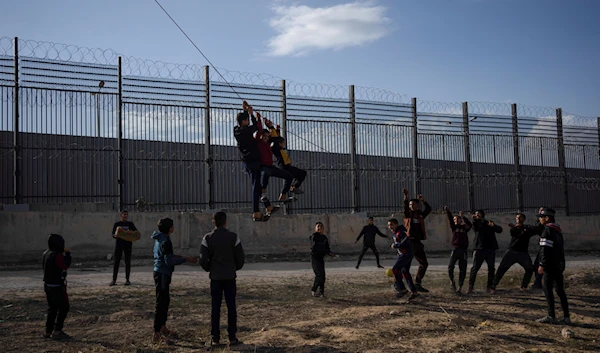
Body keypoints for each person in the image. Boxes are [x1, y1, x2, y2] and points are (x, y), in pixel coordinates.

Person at [200, 212, 245, 347]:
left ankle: (215, 337)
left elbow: (203, 259)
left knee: (215, 307)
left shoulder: (207, 238)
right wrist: (233, 268)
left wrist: (210, 268)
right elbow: (240, 258)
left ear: (214, 222)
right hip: (230, 277)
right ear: (225, 222)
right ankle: (232, 337)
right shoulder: (233, 237)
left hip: (215, 277)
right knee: (231, 307)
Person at [151, 218, 197, 345]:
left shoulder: (160, 238)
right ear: (169, 228)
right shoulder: (165, 241)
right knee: (161, 302)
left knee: (165, 300)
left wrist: (182, 257)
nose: (174, 227)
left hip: (161, 272)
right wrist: (185, 260)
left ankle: (162, 327)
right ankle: (156, 332)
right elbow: (168, 260)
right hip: (162, 274)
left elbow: (167, 256)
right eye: (172, 226)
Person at [233, 101, 277, 221]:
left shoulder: (236, 130)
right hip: (253, 161)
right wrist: (254, 116)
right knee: (256, 185)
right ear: (244, 121)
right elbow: (258, 128)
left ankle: (267, 207)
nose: (248, 122)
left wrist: (246, 111)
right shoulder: (246, 131)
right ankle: (256, 212)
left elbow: (245, 123)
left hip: (248, 161)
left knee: (257, 185)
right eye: (247, 120)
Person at [536, 208, 570, 325]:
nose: (539, 219)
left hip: (549, 266)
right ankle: (566, 317)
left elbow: (545, 250)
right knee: (560, 291)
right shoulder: (557, 231)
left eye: (541, 217)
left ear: (547, 218)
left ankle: (551, 316)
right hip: (558, 266)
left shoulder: (547, 231)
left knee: (547, 289)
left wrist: (542, 265)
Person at [491, 213, 537, 291]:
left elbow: (533, 229)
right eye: (517, 218)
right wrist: (515, 227)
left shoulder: (528, 229)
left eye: (520, 217)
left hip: (523, 252)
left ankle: (524, 287)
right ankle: (493, 286)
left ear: (524, 219)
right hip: (512, 251)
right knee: (502, 268)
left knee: (529, 269)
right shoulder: (514, 228)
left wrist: (522, 227)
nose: (518, 219)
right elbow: (514, 233)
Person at [256, 114, 293, 204]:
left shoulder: (268, 143)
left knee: (289, 176)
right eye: (264, 136)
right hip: (263, 166)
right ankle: (263, 194)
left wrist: (273, 128)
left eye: (268, 137)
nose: (266, 138)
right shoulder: (258, 143)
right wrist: (259, 120)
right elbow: (259, 131)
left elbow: (276, 139)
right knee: (265, 173)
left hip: (270, 166)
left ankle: (283, 194)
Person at [402, 188, 432, 292]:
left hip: (417, 242)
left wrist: (423, 200)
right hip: (410, 242)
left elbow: (428, 209)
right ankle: (398, 284)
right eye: (410, 205)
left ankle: (417, 283)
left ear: (417, 205)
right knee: (406, 264)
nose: (412, 206)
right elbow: (405, 208)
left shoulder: (420, 214)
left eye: (413, 204)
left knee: (424, 263)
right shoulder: (408, 214)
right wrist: (406, 197)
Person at [42, 233, 71, 340]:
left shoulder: (45, 253)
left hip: (47, 285)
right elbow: (65, 265)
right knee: (64, 307)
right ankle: (57, 330)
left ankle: (48, 331)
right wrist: (68, 255)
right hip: (56, 286)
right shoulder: (57, 255)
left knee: (52, 308)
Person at [468, 210, 503, 294]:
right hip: (479, 249)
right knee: (475, 268)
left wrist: (493, 226)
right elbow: (475, 227)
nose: (477, 215)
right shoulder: (476, 223)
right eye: (476, 214)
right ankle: (470, 287)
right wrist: (474, 220)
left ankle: (489, 287)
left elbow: (499, 230)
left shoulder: (488, 223)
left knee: (491, 268)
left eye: (478, 214)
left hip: (490, 249)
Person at [268, 123, 307, 195]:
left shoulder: (280, 148)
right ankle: (287, 191)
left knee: (301, 174)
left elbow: (277, 138)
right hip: (284, 166)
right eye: (283, 142)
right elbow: (275, 140)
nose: (284, 144)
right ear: (280, 143)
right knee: (293, 176)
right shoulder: (276, 149)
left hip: (287, 166)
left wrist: (277, 130)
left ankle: (293, 188)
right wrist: (271, 127)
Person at [388, 218, 419, 300]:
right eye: (388, 225)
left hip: (406, 254)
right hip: (404, 254)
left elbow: (405, 242)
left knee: (395, 269)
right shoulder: (396, 233)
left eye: (391, 224)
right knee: (405, 272)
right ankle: (414, 292)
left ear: (396, 224)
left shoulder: (400, 232)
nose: (390, 227)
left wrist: (395, 246)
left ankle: (403, 289)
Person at [444, 207, 472, 294]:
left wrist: (463, 217)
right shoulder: (453, 227)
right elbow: (450, 220)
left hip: (463, 250)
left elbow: (470, 225)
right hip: (455, 249)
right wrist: (448, 211)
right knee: (450, 267)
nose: (456, 220)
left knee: (462, 268)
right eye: (454, 219)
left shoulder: (464, 228)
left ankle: (460, 286)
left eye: (457, 219)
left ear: (460, 220)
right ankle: (452, 281)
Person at [110, 210, 137, 286]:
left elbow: (136, 233)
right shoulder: (117, 224)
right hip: (119, 245)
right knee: (116, 262)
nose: (125, 216)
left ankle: (127, 280)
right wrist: (116, 235)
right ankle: (114, 280)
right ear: (121, 215)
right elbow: (113, 234)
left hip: (128, 245)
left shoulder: (130, 224)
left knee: (127, 262)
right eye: (124, 214)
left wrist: (130, 233)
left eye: (126, 214)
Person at [310, 222, 334, 297]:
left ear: (323, 229)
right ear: (315, 228)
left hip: (321, 258)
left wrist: (330, 253)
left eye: (321, 227)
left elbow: (327, 248)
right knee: (319, 274)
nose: (319, 228)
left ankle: (321, 292)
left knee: (323, 276)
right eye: (318, 226)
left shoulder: (324, 238)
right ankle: (313, 290)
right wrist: (319, 250)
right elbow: (314, 247)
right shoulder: (314, 236)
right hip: (315, 258)